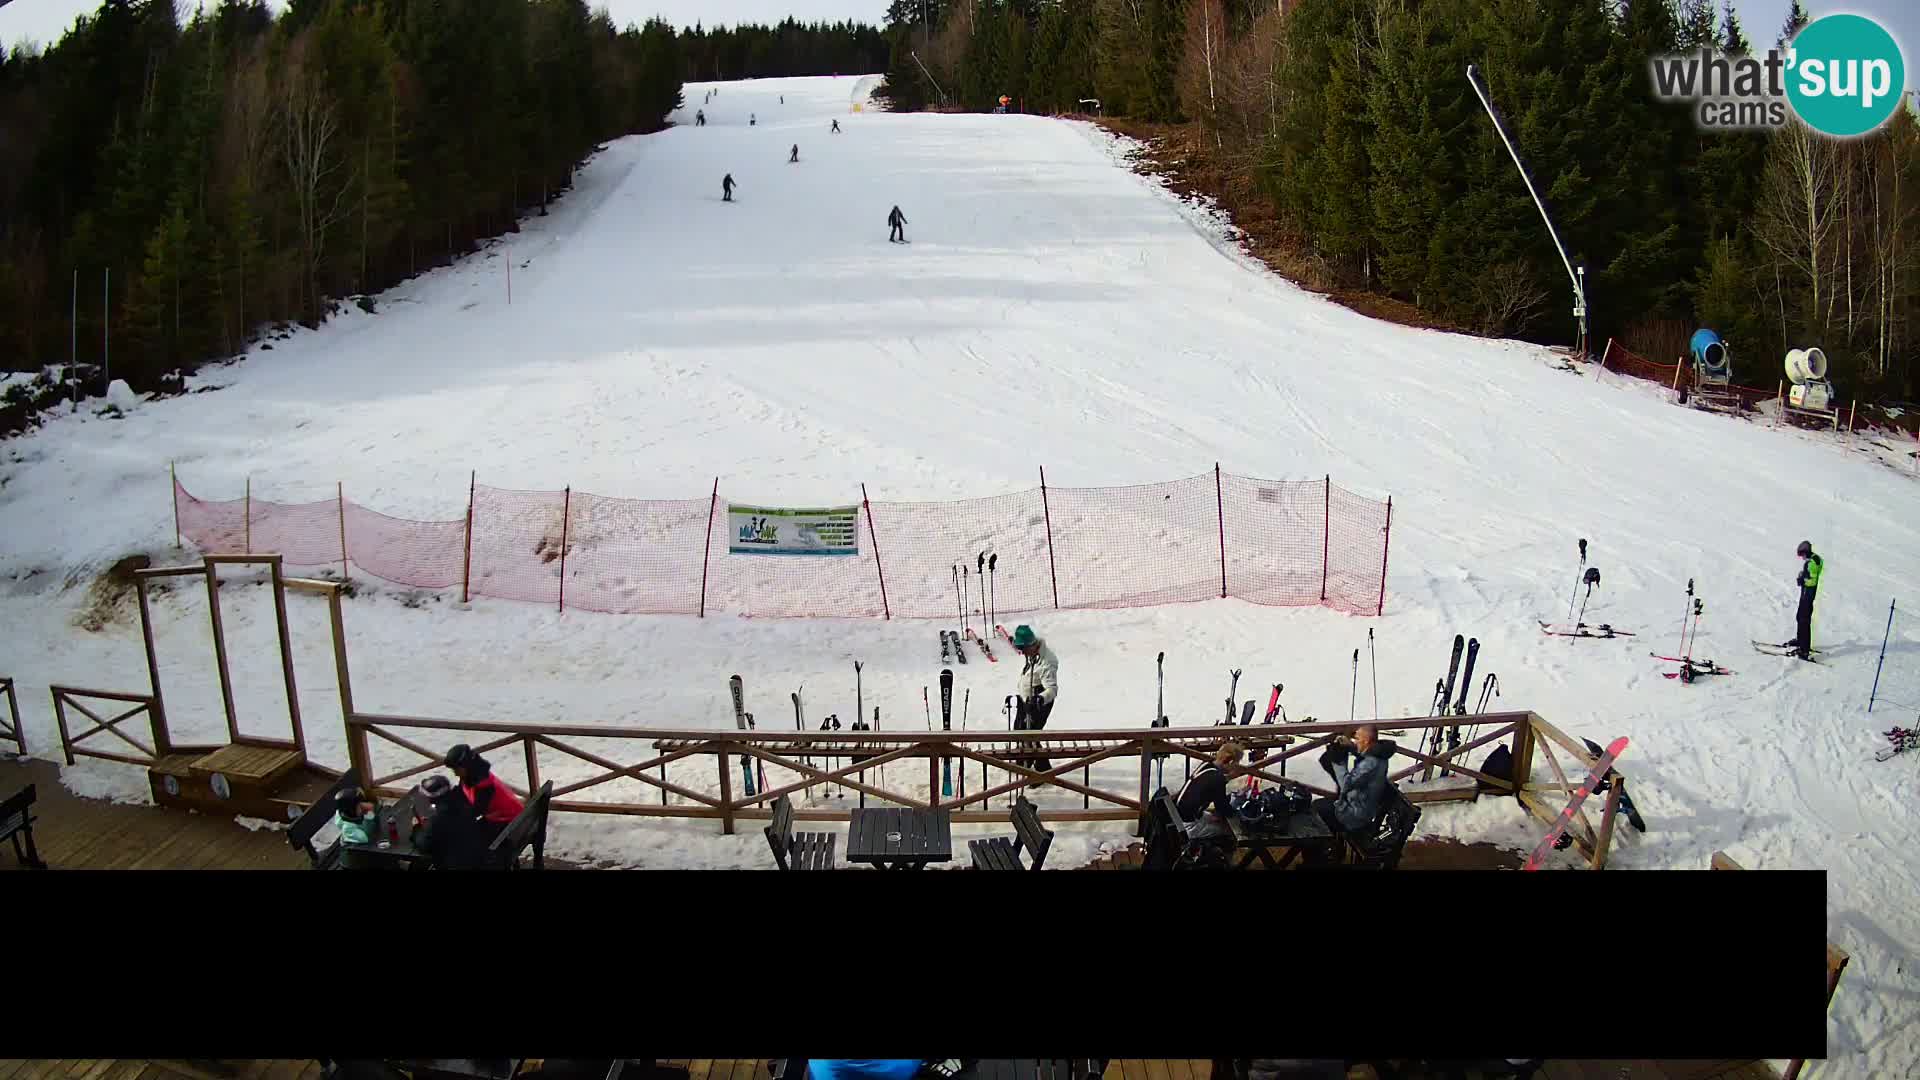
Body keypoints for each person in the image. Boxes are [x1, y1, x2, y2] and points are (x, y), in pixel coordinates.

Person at [1314, 724, 1396, 835]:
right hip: (1362, 808)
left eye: (1357, 739)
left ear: (1366, 741)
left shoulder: (1370, 764)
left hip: (1355, 817)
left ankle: (1332, 842)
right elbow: (1366, 753)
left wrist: (1338, 762)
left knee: (1316, 808)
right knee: (1321, 806)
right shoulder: (1379, 755)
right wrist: (1350, 746)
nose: (1355, 741)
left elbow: (1345, 784)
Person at [445, 743, 525, 840]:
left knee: (465, 837)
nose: (456, 774)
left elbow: (473, 813)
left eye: (457, 769)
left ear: (466, 765)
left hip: (513, 823)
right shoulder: (472, 775)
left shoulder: (484, 786)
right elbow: (461, 793)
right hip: (500, 817)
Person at [411, 774, 488, 870]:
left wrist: (416, 829)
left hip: (455, 864)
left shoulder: (439, 819)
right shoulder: (464, 801)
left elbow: (425, 846)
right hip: (477, 857)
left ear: (432, 798)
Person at [1175, 742, 1243, 849]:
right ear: (1229, 761)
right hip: (1188, 825)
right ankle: (1222, 858)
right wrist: (1238, 815)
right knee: (1229, 833)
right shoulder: (1217, 779)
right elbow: (1222, 808)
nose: (1236, 767)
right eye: (1236, 763)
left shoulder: (1206, 765)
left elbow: (1211, 790)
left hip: (1179, 815)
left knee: (1215, 818)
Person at [1010, 624, 1057, 772]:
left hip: (1038, 702)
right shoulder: (1033, 654)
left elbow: (1052, 689)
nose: (1022, 653)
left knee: (1030, 734)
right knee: (1019, 730)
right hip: (1026, 699)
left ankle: (1037, 770)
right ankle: (1034, 765)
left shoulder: (1046, 662)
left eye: (1023, 649)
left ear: (1031, 644)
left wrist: (1039, 699)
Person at [1785, 539, 1823, 660]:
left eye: (1801, 554)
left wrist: (1802, 580)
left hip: (1808, 594)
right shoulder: (1815, 559)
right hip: (1807, 594)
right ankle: (1800, 640)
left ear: (1806, 552)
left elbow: (1812, 581)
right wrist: (1804, 575)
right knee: (1800, 616)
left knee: (1804, 620)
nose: (1801, 557)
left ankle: (1804, 649)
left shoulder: (1811, 563)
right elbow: (1813, 573)